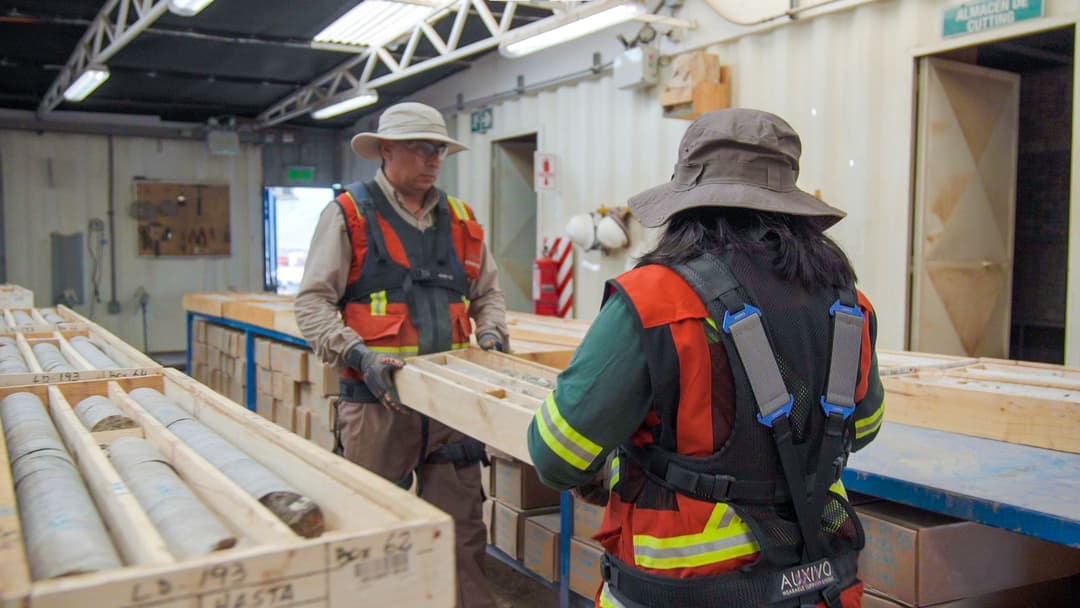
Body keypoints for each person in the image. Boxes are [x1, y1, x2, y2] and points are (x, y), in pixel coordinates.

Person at [527, 109, 885, 608]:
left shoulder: (655, 299)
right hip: (820, 587)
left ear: (687, 205)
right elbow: (862, 431)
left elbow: (557, 454)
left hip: (682, 591)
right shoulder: (849, 304)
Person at [296, 101, 507, 608]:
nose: (433, 159)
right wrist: (358, 355)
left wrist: (493, 334)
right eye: (420, 148)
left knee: (461, 535)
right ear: (386, 151)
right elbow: (312, 302)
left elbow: (489, 293)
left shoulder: (461, 219)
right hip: (375, 405)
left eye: (438, 149)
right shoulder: (348, 214)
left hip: (451, 408)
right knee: (373, 535)